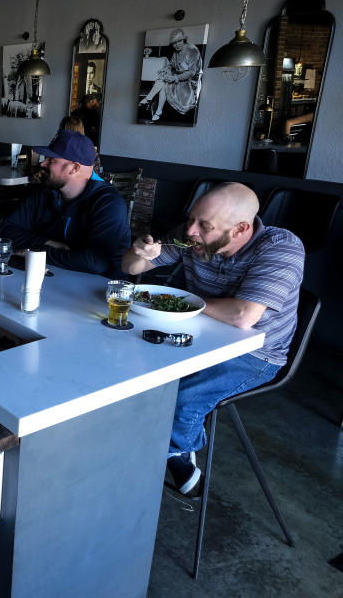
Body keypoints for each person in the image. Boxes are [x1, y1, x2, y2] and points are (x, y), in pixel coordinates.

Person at [121, 182, 304, 495]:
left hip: (257, 354)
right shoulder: (191, 232)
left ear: (241, 229)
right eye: (192, 219)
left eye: (204, 226)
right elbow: (130, 267)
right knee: (125, 370)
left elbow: (243, 315)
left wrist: (184, 303)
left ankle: (178, 452)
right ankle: (140, 441)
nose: (190, 231)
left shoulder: (281, 247)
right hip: (198, 332)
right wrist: (139, 254)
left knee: (180, 399)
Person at [0, 130, 130, 277]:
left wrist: (37, 251)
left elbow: (95, 262)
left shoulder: (108, 203)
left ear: (74, 168)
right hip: (51, 278)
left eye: (51, 160)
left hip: (96, 291)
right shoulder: (44, 191)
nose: (43, 163)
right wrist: (48, 242)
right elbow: (6, 232)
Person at [139, 28, 202, 122]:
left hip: (190, 83)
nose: (177, 45)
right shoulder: (176, 51)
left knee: (165, 82)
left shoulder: (192, 50)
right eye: (174, 43)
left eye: (179, 41)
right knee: (163, 79)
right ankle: (155, 107)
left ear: (184, 40)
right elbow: (171, 64)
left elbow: (192, 72)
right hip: (178, 78)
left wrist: (174, 78)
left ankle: (150, 100)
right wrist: (165, 69)